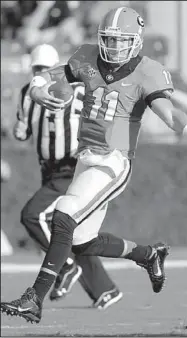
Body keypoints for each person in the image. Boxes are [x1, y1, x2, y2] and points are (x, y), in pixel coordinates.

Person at [1, 7, 187, 324]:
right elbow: (51, 74)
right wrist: (40, 90)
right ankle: (149, 255)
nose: (113, 47)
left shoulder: (147, 71)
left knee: (64, 213)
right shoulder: (86, 55)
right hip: (86, 158)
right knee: (82, 241)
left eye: (120, 40)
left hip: (114, 160)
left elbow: (169, 114)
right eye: (108, 40)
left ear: (136, 42)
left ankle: (35, 297)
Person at [13, 44, 123, 309]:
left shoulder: (63, 87)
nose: (39, 73)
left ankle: (66, 267)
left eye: (43, 68)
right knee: (69, 229)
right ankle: (104, 289)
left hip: (69, 165)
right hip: (49, 168)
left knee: (33, 215)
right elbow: (23, 131)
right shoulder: (33, 92)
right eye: (37, 69)